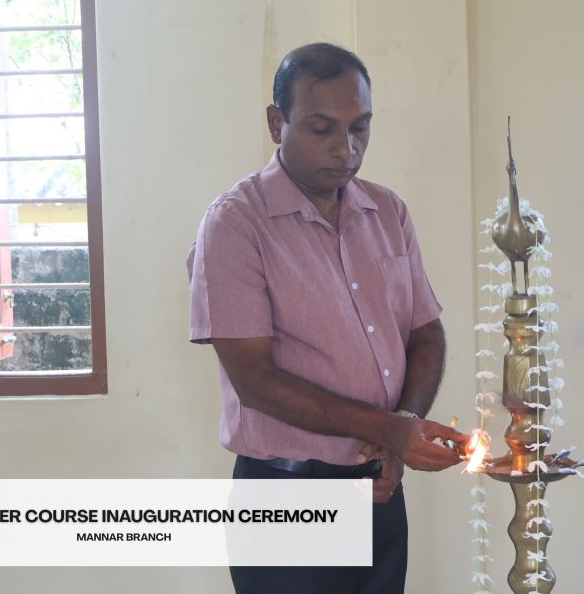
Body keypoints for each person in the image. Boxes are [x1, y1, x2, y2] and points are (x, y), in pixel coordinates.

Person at [187, 42, 468, 594]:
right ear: (277, 123)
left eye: (360, 127)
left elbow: (425, 333)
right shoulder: (236, 225)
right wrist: (389, 430)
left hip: (378, 488)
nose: (346, 148)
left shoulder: (387, 212)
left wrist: (401, 427)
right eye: (322, 129)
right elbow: (255, 382)